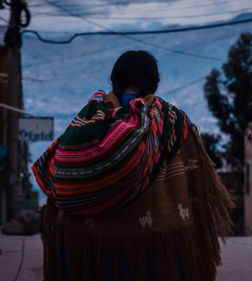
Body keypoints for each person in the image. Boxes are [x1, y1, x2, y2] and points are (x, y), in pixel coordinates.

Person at [32, 50, 234, 281]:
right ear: (154, 83)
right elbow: (197, 182)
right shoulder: (171, 120)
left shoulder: (89, 120)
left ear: (116, 79)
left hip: (94, 249)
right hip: (156, 249)